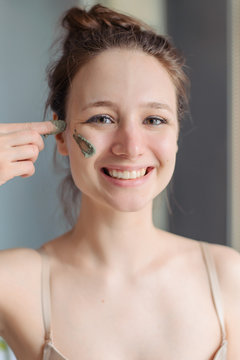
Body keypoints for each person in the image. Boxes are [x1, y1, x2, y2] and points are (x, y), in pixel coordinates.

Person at [0, 4, 239, 360]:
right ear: (62, 134)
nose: (130, 147)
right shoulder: (16, 282)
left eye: (154, 120)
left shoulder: (229, 279)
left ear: (176, 135)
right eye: (102, 117)